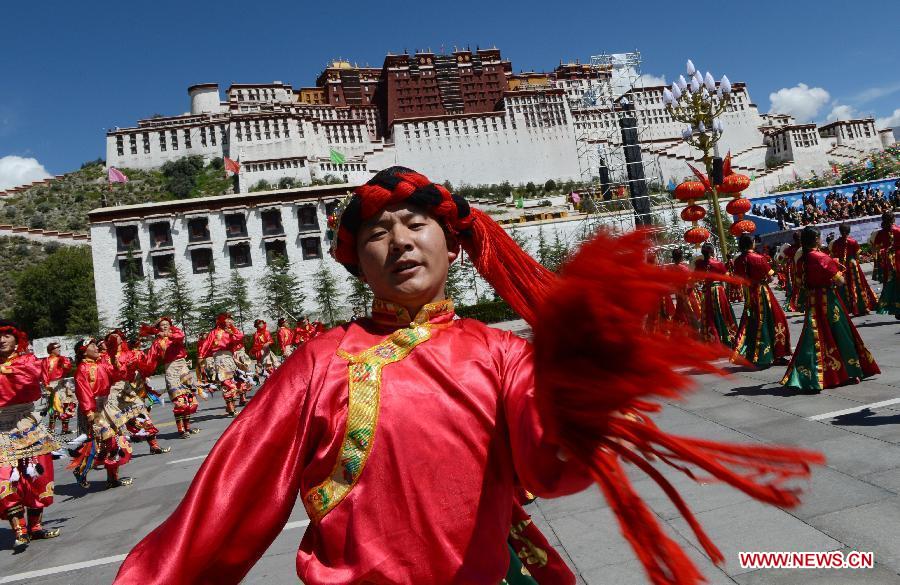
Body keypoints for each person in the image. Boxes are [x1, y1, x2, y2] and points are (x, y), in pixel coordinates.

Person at [115, 167, 821, 585]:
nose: (397, 241)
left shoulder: (498, 354)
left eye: (414, 224)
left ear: (453, 244)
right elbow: (224, 506)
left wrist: (585, 390)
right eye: (376, 233)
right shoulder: (319, 363)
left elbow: (549, 463)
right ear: (357, 261)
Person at [782, 228, 880, 391]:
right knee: (840, 332)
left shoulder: (801, 260)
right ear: (816, 239)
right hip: (829, 299)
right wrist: (838, 269)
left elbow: (799, 283)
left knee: (814, 335)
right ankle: (848, 371)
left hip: (813, 301)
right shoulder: (822, 258)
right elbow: (840, 280)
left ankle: (810, 373)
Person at [0, 321, 61, 550]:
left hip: (26, 421)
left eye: (7, 335)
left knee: (38, 476)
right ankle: (20, 529)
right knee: (4, 478)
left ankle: (35, 527)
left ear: (17, 339)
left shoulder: (27, 361)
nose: (2, 340)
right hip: (1, 426)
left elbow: (32, 377)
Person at [72, 337, 134, 489]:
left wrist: (114, 359)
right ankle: (81, 469)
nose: (96, 347)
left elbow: (118, 375)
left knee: (114, 444)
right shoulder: (82, 368)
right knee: (104, 443)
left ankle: (112, 479)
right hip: (94, 410)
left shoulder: (102, 364)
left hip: (106, 406)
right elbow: (83, 392)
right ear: (84, 351)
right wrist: (89, 413)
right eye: (92, 345)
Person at [731, 235, 792, 368]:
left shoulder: (738, 260)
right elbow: (770, 278)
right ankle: (775, 354)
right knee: (775, 319)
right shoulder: (758, 258)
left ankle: (752, 354)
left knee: (751, 321)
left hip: (748, 293)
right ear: (751, 243)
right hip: (762, 292)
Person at [105, 331, 169, 456]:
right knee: (115, 424)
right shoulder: (105, 358)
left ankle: (154, 445)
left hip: (127, 388)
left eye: (117, 336)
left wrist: (151, 356)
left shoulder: (129, 354)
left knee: (143, 415)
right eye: (112, 337)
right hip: (112, 391)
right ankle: (105, 455)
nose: (115, 338)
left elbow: (144, 367)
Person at [198, 313, 244, 417]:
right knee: (228, 384)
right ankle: (231, 408)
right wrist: (201, 356)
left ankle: (231, 407)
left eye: (230, 320)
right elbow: (206, 344)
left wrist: (232, 332)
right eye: (227, 320)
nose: (229, 322)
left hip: (230, 358)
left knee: (229, 383)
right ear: (222, 321)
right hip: (220, 358)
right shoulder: (214, 332)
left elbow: (239, 337)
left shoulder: (231, 331)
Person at [693, 243, 738, 346]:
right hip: (719, 291)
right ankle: (728, 336)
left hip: (707, 291)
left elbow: (697, 280)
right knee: (723, 312)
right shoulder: (718, 263)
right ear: (712, 252)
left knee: (709, 315)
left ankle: (712, 338)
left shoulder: (699, 265)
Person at [830, 223, 878, 317]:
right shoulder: (853, 242)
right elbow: (856, 256)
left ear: (840, 231)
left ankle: (846, 308)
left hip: (841, 267)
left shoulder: (835, 243)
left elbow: (833, 256)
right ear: (849, 231)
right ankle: (861, 307)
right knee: (857, 285)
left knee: (843, 286)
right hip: (853, 267)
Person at [146, 318, 191, 392]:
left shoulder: (175, 334)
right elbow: (151, 357)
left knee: (187, 382)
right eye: (162, 325)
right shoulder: (157, 342)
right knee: (173, 387)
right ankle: (181, 403)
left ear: (170, 326)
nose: (165, 326)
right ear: (159, 328)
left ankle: (189, 401)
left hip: (180, 363)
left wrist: (166, 334)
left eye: (167, 324)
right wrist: (146, 373)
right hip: (169, 366)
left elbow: (181, 336)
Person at [41, 342, 73, 434]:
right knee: (53, 407)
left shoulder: (62, 359)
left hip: (63, 384)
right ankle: (51, 429)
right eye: (57, 348)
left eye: (59, 348)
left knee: (67, 406)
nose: (59, 349)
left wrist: (64, 365)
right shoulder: (46, 360)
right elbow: (44, 374)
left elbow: (68, 368)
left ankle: (65, 429)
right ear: (51, 350)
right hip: (52, 385)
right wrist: (46, 385)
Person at [872, 211, 900, 318]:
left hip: (888, 261)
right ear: (893, 219)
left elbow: (876, 247)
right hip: (898, 257)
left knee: (890, 283)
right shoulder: (898, 230)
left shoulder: (880, 233)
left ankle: (894, 307)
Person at [670, 248, 702, 334]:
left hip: (678, 294)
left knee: (681, 312)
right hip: (687, 293)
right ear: (681, 257)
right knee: (692, 312)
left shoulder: (671, 269)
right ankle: (694, 331)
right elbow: (691, 282)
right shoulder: (684, 268)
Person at [170, 372, 200, 439]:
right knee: (179, 418)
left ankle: (187, 429)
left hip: (186, 405)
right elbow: (174, 396)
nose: (190, 380)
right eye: (188, 378)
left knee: (186, 418)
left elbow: (190, 395)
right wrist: (177, 402)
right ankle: (181, 432)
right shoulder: (176, 387)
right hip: (179, 406)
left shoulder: (187, 387)